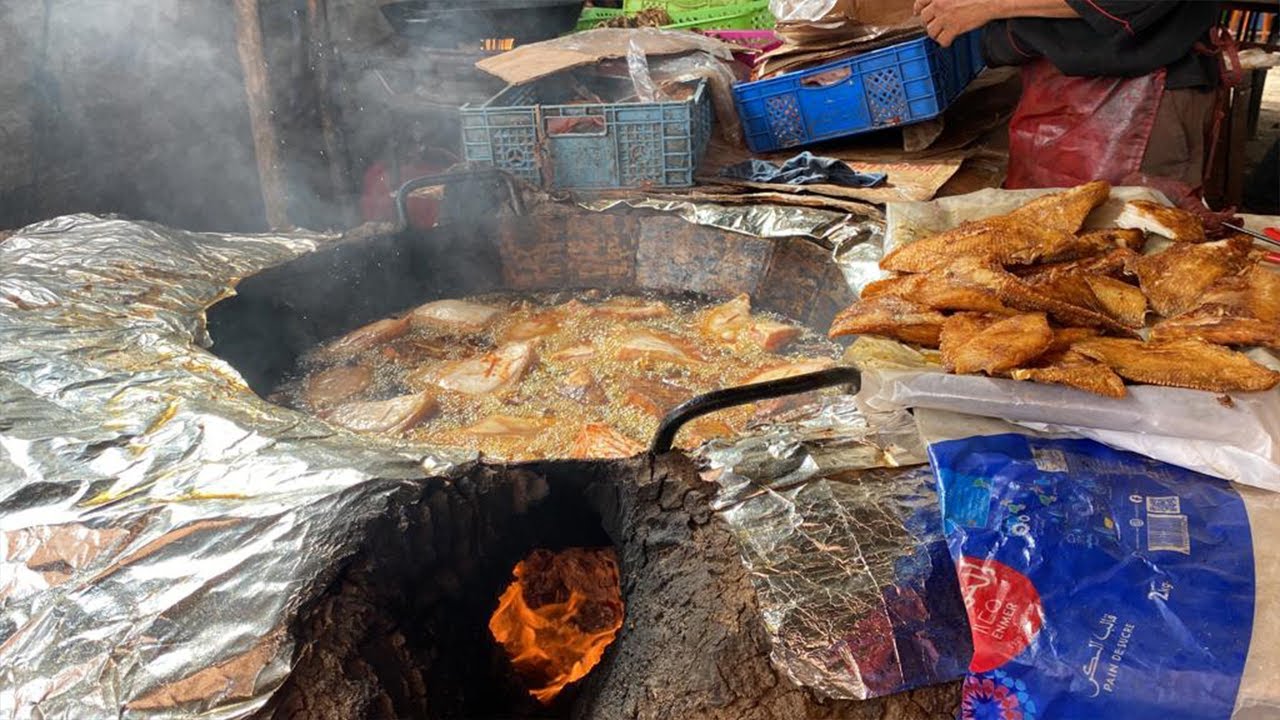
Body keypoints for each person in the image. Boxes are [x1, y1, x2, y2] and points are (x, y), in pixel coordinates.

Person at [912, 0, 1229, 218]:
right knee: (1045, 253)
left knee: (1132, 255)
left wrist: (989, 4)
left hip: (1138, 97)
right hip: (1051, 85)